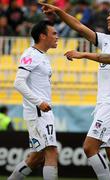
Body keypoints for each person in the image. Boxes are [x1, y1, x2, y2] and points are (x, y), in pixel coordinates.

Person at [41, 3, 110, 180]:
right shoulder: (107, 40)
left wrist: (84, 55)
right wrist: (59, 12)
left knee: (89, 147)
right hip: (104, 103)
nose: (109, 17)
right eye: (109, 15)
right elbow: (78, 26)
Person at [9, 20, 59, 180]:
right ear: (42, 36)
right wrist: (39, 102)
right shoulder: (30, 54)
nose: (57, 37)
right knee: (52, 151)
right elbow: (18, 82)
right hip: (38, 112)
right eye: (54, 33)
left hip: (41, 111)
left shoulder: (41, 56)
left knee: (36, 157)